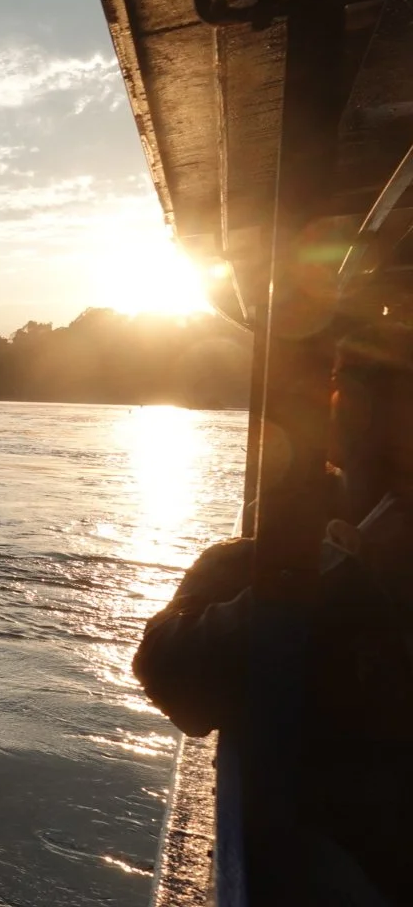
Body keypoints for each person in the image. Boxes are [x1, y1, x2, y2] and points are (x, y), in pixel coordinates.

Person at [133, 354, 413, 903]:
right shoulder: (264, 547)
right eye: (352, 392)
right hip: (336, 842)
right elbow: (168, 670)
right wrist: (325, 567)